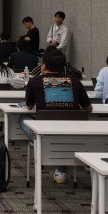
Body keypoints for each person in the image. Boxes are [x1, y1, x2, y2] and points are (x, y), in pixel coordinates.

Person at [20, 48, 92, 184]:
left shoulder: (35, 81)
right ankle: (61, 169)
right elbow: (88, 108)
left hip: (45, 134)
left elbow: (29, 106)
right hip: (72, 134)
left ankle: (42, 146)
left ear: (44, 66)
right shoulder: (76, 82)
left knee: (22, 119)